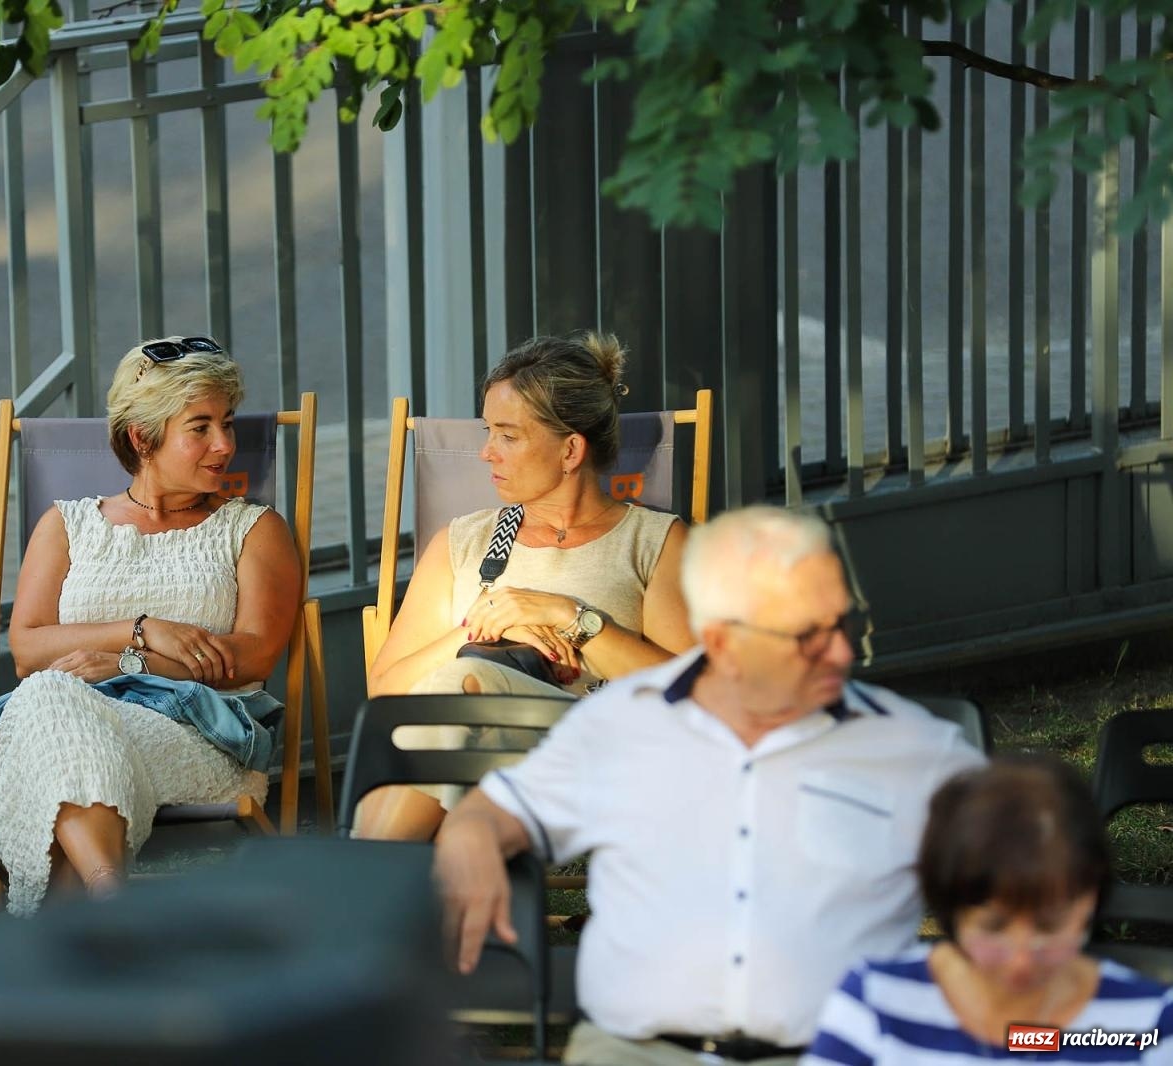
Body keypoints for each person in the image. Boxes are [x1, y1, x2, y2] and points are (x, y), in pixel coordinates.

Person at [433, 505, 987, 1066]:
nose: (842, 653)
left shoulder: (911, 750)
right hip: (637, 1051)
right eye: (808, 635)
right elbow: (493, 814)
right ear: (722, 643)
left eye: (842, 624)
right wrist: (474, 841)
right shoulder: (623, 724)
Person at [0, 336, 301, 915]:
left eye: (226, 423)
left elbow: (250, 657)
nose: (225, 445)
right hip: (67, 722)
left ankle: (84, 927)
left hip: (198, 734)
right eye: (199, 427)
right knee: (50, 696)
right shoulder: (67, 525)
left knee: (51, 724)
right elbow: (27, 650)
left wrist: (129, 666)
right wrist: (142, 629)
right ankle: (113, 908)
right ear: (141, 437)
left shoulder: (252, 529)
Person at [356, 333, 694, 841]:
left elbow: (690, 696)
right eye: (488, 431)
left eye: (508, 436)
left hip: (598, 754)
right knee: (456, 690)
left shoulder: (653, 541)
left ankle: (360, 877)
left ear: (571, 450)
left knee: (460, 688)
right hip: (473, 749)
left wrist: (570, 617)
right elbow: (386, 690)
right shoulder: (463, 540)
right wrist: (487, 625)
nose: (486, 453)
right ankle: (389, 883)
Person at [806, 757, 1173, 1065]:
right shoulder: (877, 1002)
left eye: (1050, 926)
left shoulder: (1145, 1026)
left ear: (1090, 900)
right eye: (993, 927)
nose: (1022, 960)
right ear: (950, 911)